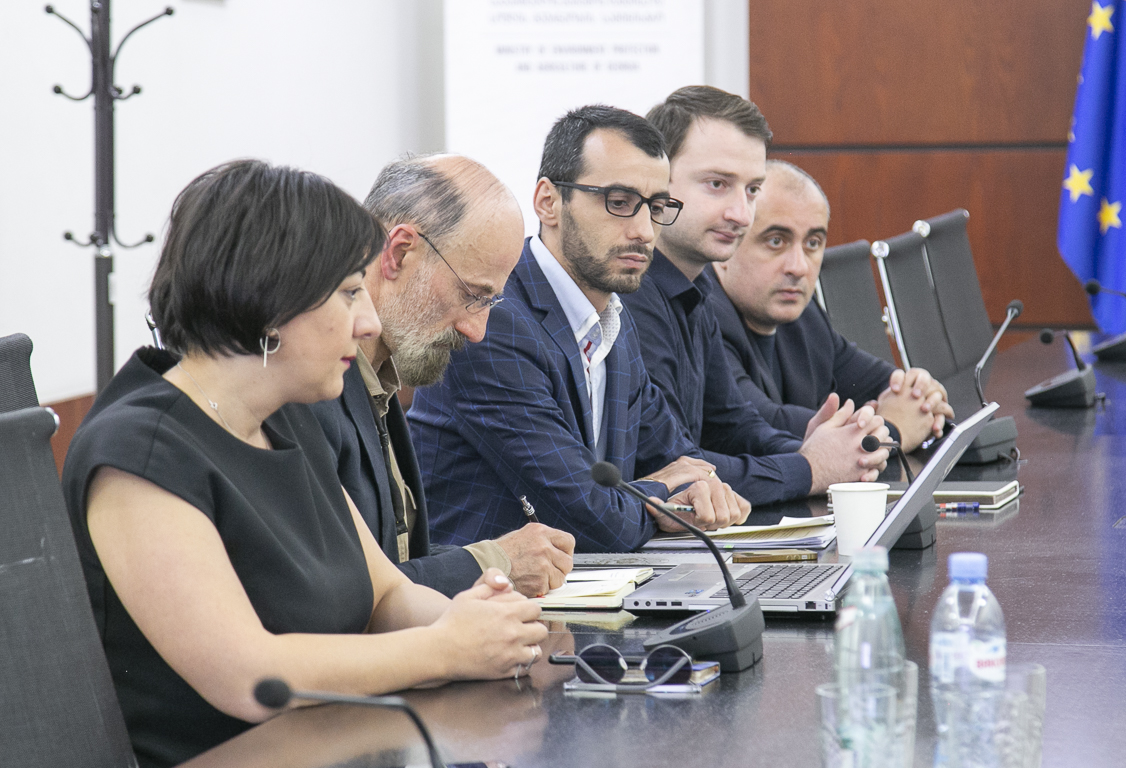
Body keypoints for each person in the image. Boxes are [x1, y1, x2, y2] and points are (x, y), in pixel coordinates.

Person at [61, 160, 546, 768]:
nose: (368, 321)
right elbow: (249, 676)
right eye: (348, 294)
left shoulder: (287, 418)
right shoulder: (139, 451)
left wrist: (487, 625)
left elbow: (387, 593)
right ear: (270, 303)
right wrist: (448, 649)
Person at [410, 104, 758, 554]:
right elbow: (596, 524)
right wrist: (661, 489)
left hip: (589, 582)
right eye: (619, 203)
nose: (644, 232)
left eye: (656, 208)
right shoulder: (496, 321)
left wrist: (699, 487)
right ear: (548, 202)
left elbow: (679, 459)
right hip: (486, 588)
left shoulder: (613, 320)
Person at [310, 154, 575, 598]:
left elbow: (390, 562)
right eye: (472, 294)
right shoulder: (310, 387)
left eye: (490, 302)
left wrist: (497, 559)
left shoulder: (381, 379)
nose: (476, 332)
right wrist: (496, 562)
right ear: (399, 252)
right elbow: (346, 592)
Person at [622, 85, 889, 497]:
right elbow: (670, 469)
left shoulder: (695, 287)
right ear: (656, 182)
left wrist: (818, 448)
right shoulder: (630, 294)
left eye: (751, 190)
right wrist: (809, 467)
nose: (741, 214)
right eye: (717, 184)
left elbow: (731, 425)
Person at [707, 159, 954, 452]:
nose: (799, 267)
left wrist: (920, 395)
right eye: (776, 241)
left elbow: (882, 383)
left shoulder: (802, 312)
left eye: (812, 243)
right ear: (727, 244)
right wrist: (892, 430)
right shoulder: (703, 315)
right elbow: (758, 425)